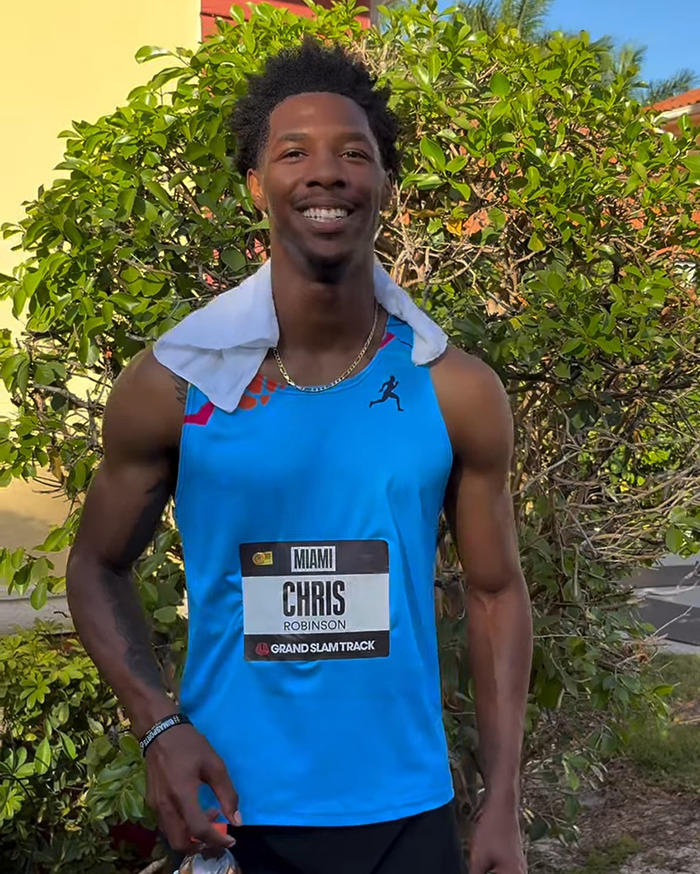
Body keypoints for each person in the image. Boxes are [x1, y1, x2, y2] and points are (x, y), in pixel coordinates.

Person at [66, 40, 532, 874]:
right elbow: (95, 565)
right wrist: (158, 725)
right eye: (294, 152)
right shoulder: (177, 385)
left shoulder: (453, 389)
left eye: (355, 153)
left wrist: (503, 801)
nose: (327, 172)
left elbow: (496, 593)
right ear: (256, 184)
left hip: (407, 816)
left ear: (385, 184)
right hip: (235, 812)